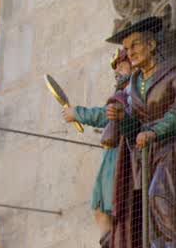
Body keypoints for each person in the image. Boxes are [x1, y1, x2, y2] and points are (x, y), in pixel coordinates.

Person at [103, 16, 176, 248]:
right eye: (127, 48)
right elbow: (135, 131)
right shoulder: (134, 85)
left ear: (151, 45)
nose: (130, 52)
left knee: (160, 197)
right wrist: (123, 119)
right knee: (150, 212)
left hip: (173, 154)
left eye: (136, 45)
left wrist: (155, 131)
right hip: (146, 159)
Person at [63, 48, 134, 245]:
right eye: (116, 68)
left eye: (121, 65)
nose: (117, 71)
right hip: (111, 156)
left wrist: (76, 113)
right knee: (100, 209)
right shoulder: (122, 92)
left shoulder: (133, 91)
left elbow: (105, 115)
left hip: (122, 156)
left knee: (112, 207)